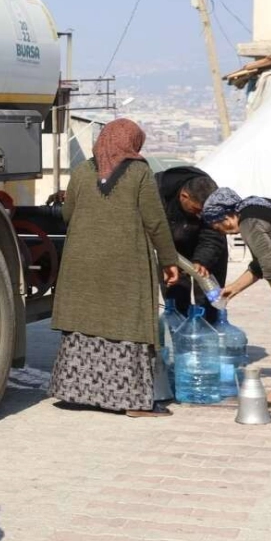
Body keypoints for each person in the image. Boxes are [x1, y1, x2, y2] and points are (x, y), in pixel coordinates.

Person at [48, 119, 181, 416]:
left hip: (81, 264)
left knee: (83, 322)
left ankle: (76, 392)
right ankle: (131, 401)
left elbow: (68, 214)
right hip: (125, 266)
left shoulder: (81, 171)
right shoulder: (140, 173)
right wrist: (170, 261)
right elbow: (155, 221)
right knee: (127, 323)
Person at [203, 188, 271, 407]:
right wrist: (233, 288)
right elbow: (260, 264)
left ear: (225, 217)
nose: (225, 233)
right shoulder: (260, 208)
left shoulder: (248, 222)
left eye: (219, 227)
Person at [155, 166, 227, 320]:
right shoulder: (155, 192)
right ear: (184, 196)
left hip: (208, 248)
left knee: (209, 304)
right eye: (196, 210)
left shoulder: (211, 196)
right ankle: (179, 335)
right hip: (171, 250)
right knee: (175, 303)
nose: (199, 215)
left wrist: (203, 260)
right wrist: (167, 258)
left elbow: (213, 233)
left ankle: (207, 333)